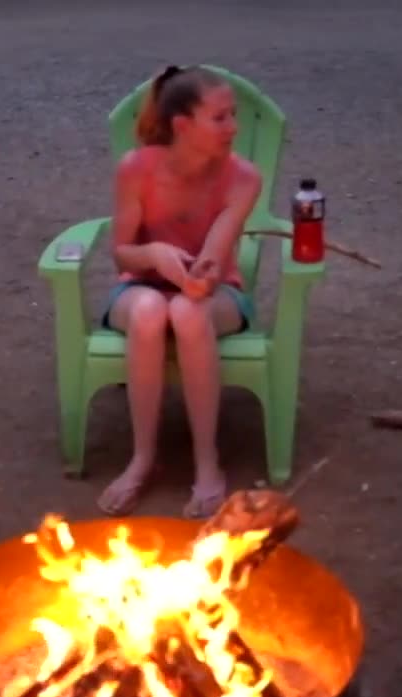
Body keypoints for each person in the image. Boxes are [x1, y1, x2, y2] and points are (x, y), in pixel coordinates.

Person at [97, 64, 263, 520]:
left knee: (189, 312)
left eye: (234, 116)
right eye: (220, 117)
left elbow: (215, 258)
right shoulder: (136, 170)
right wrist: (153, 254)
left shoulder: (243, 178)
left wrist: (198, 277)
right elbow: (122, 256)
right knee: (151, 310)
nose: (233, 127)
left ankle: (207, 463)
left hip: (216, 294)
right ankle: (142, 459)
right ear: (182, 125)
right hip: (140, 286)